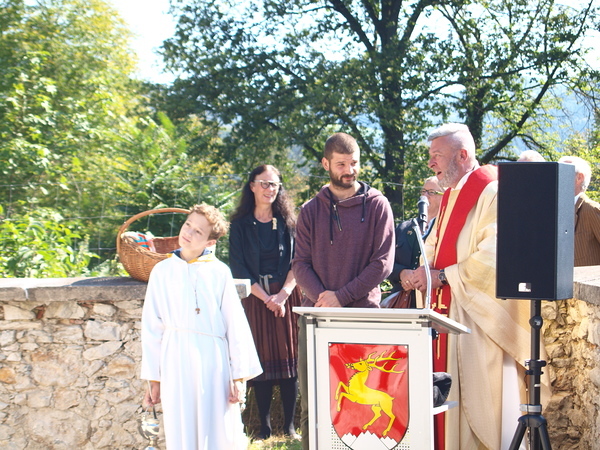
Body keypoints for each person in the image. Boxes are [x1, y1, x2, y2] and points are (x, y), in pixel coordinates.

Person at [409, 123, 549, 450]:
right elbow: (435, 244)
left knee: (479, 405)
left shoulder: (493, 190)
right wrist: (423, 270)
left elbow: (496, 255)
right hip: (446, 312)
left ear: (462, 155)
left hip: (476, 320)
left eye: (437, 155)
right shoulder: (450, 195)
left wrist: (444, 276)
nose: (430, 163)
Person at [292, 132, 395, 449]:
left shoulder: (377, 205)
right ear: (325, 164)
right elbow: (300, 264)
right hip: (316, 318)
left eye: (354, 163)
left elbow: (383, 263)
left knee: (358, 408)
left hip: (362, 318)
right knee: (314, 402)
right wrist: (325, 300)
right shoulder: (310, 210)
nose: (349, 170)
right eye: (341, 164)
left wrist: (342, 297)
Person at [141, 204, 262, 450]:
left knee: (217, 428)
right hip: (175, 360)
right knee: (181, 426)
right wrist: (154, 378)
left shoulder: (219, 272)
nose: (188, 233)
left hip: (212, 362)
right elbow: (152, 327)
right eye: (188, 225)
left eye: (198, 231)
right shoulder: (161, 271)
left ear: (210, 241)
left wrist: (238, 377)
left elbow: (235, 325)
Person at [229, 164, 302, 440]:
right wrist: (267, 298)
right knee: (260, 361)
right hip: (255, 297)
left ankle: (290, 427)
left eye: (274, 184)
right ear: (252, 186)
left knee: (289, 361)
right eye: (264, 183)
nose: (269, 189)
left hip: (286, 297)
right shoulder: (239, 225)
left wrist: (282, 295)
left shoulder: (288, 222)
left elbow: (299, 262)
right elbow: (238, 268)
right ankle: (264, 428)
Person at [384, 176, 444, 308]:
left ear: (444, 197)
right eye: (423, 192)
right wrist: (402, 273)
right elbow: (385, 262)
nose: (425, 197)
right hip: (403, 304)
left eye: (431, 192)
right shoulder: (404, 228)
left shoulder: (447, 229)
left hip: (436, 303)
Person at [558, 155, 600, 266]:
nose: (556, 177)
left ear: (579, 178)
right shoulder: (556, 210)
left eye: (561, 171)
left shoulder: (591, 209)